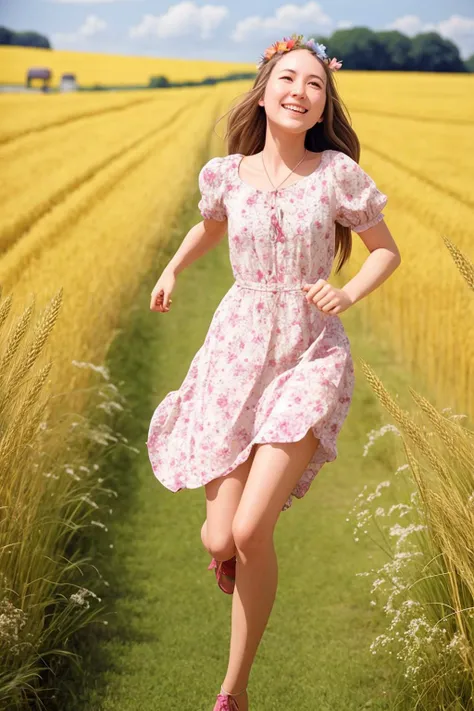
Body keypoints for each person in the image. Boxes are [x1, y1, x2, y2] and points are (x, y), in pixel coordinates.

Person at [146, 33, 401, 711]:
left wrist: (346, 293)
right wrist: (174, 266)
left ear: (323, 105)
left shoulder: (337, 173)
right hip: (236, 351)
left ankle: (235, 689)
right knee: (219, 535)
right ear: (264, 90)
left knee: (253, 529)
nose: (300, 91)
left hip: (310, 353)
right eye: (288, 78)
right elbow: (211, 225)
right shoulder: (224, 174)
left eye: (315, 84)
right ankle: (224, 552)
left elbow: (384, 250)